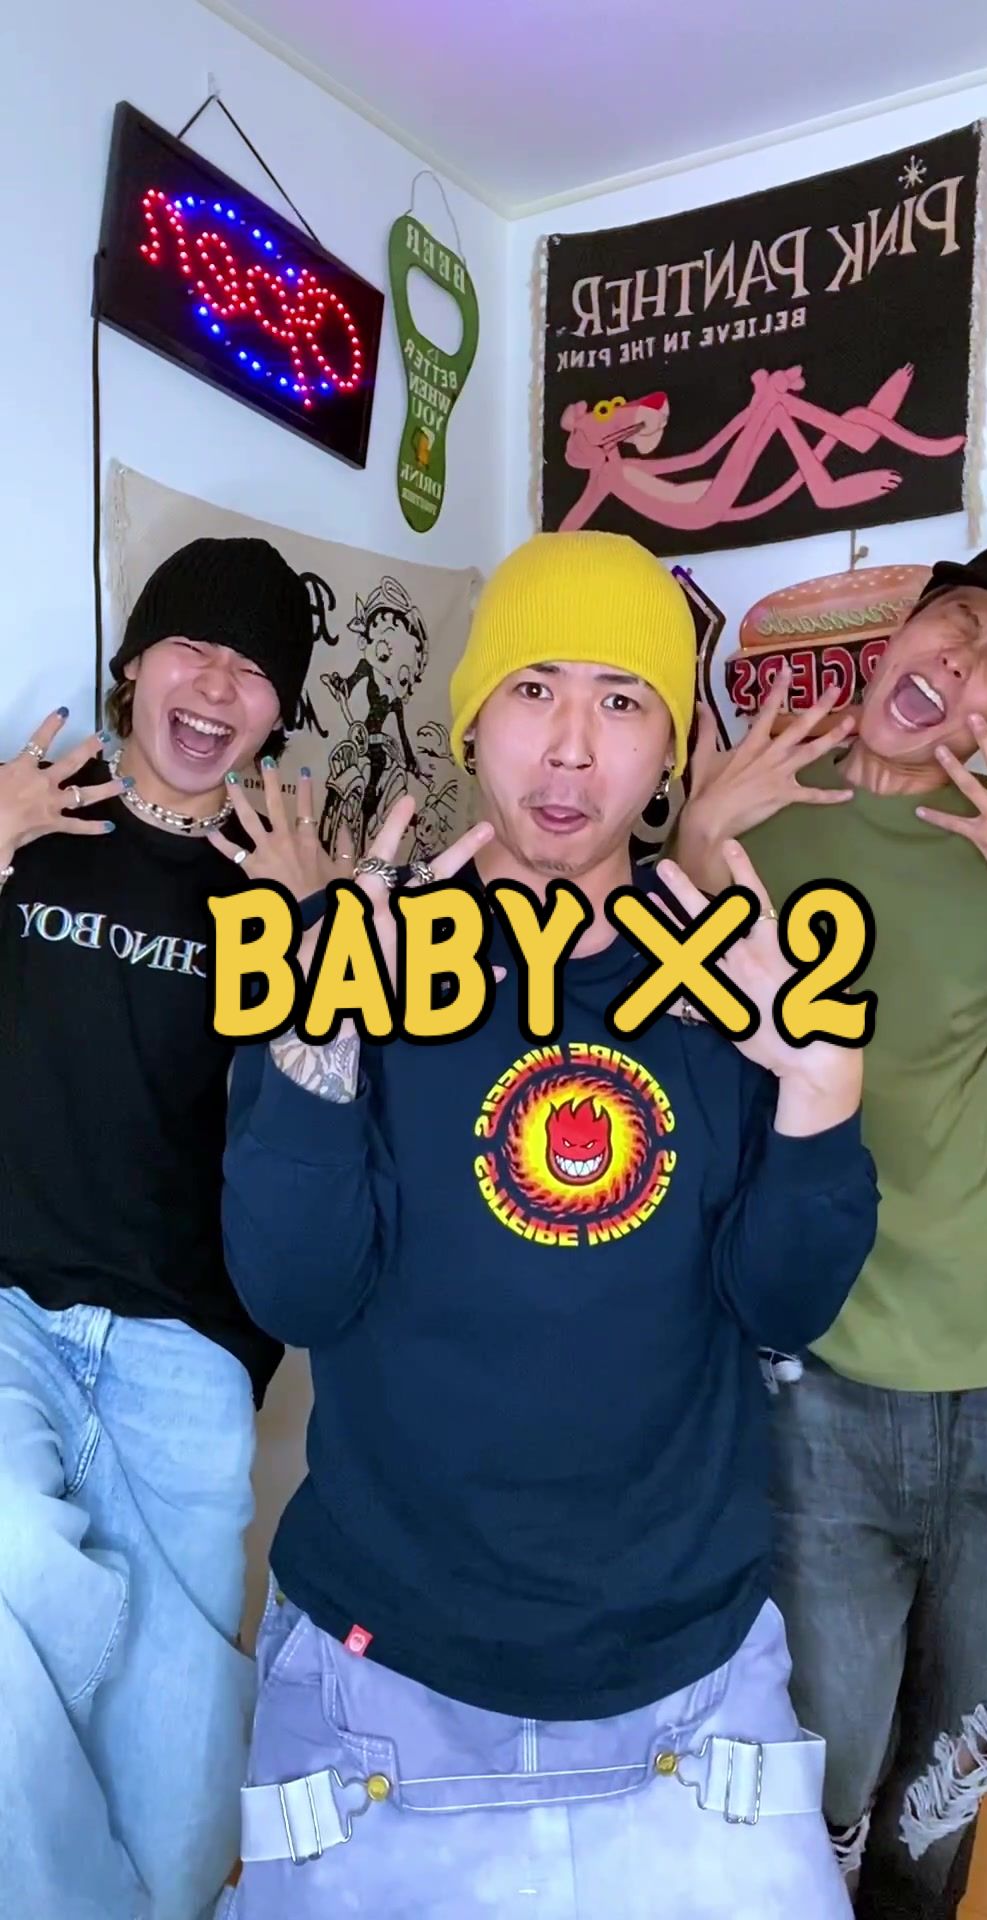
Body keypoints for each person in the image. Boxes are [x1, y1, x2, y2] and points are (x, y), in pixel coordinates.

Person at [216, 529, 879, 1919]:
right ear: (473, 721)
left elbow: (783, 1305)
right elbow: (295, 1295)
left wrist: (817, 1095)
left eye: (621, 700)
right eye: (533, 689)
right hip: (384, 1687)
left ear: (670, 747)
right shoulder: (366, 959)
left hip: (690, 1696)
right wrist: (318, 1051)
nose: (571, 747)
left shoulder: (729, 982)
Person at [672, 544, 987, 1918]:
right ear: (900, 632)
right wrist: (695, 843)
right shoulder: (767, 798)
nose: (965, 661)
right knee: (831, 1742)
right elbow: (681, 1033)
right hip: (830, 1357)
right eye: (956, 624)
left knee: (960, 1751)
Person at [0, 536, 331, 1920]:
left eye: (254, 668)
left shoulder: (283, 878)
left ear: (278, 712)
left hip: (191, 1342)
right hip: (11, 1307)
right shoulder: (35, 813)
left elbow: (330, 1118)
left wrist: (317, 935)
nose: (215, 685)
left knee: (188, 1782)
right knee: (11, 1554)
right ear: (135, 663)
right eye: (192, 646)